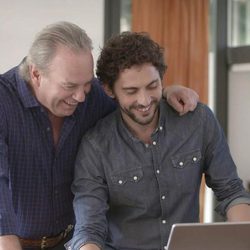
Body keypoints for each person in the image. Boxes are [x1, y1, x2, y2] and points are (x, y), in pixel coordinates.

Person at [0, 22, 199, 250]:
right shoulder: (3, 100)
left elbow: (133, 100)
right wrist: (6, 240)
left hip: (71, 242)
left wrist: (166, 92)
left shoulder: (93, 96)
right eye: (70, 86)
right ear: (36, 74)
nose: (80, 97)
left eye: (86, 85)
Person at [68, 32, 250, 250]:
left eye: (153, 86)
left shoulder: (197, 121)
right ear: (109, 89)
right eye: (131, 91)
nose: (144, 100)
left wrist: (244, 238)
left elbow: (230, 191)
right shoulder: (95, 146)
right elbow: (89, 228)